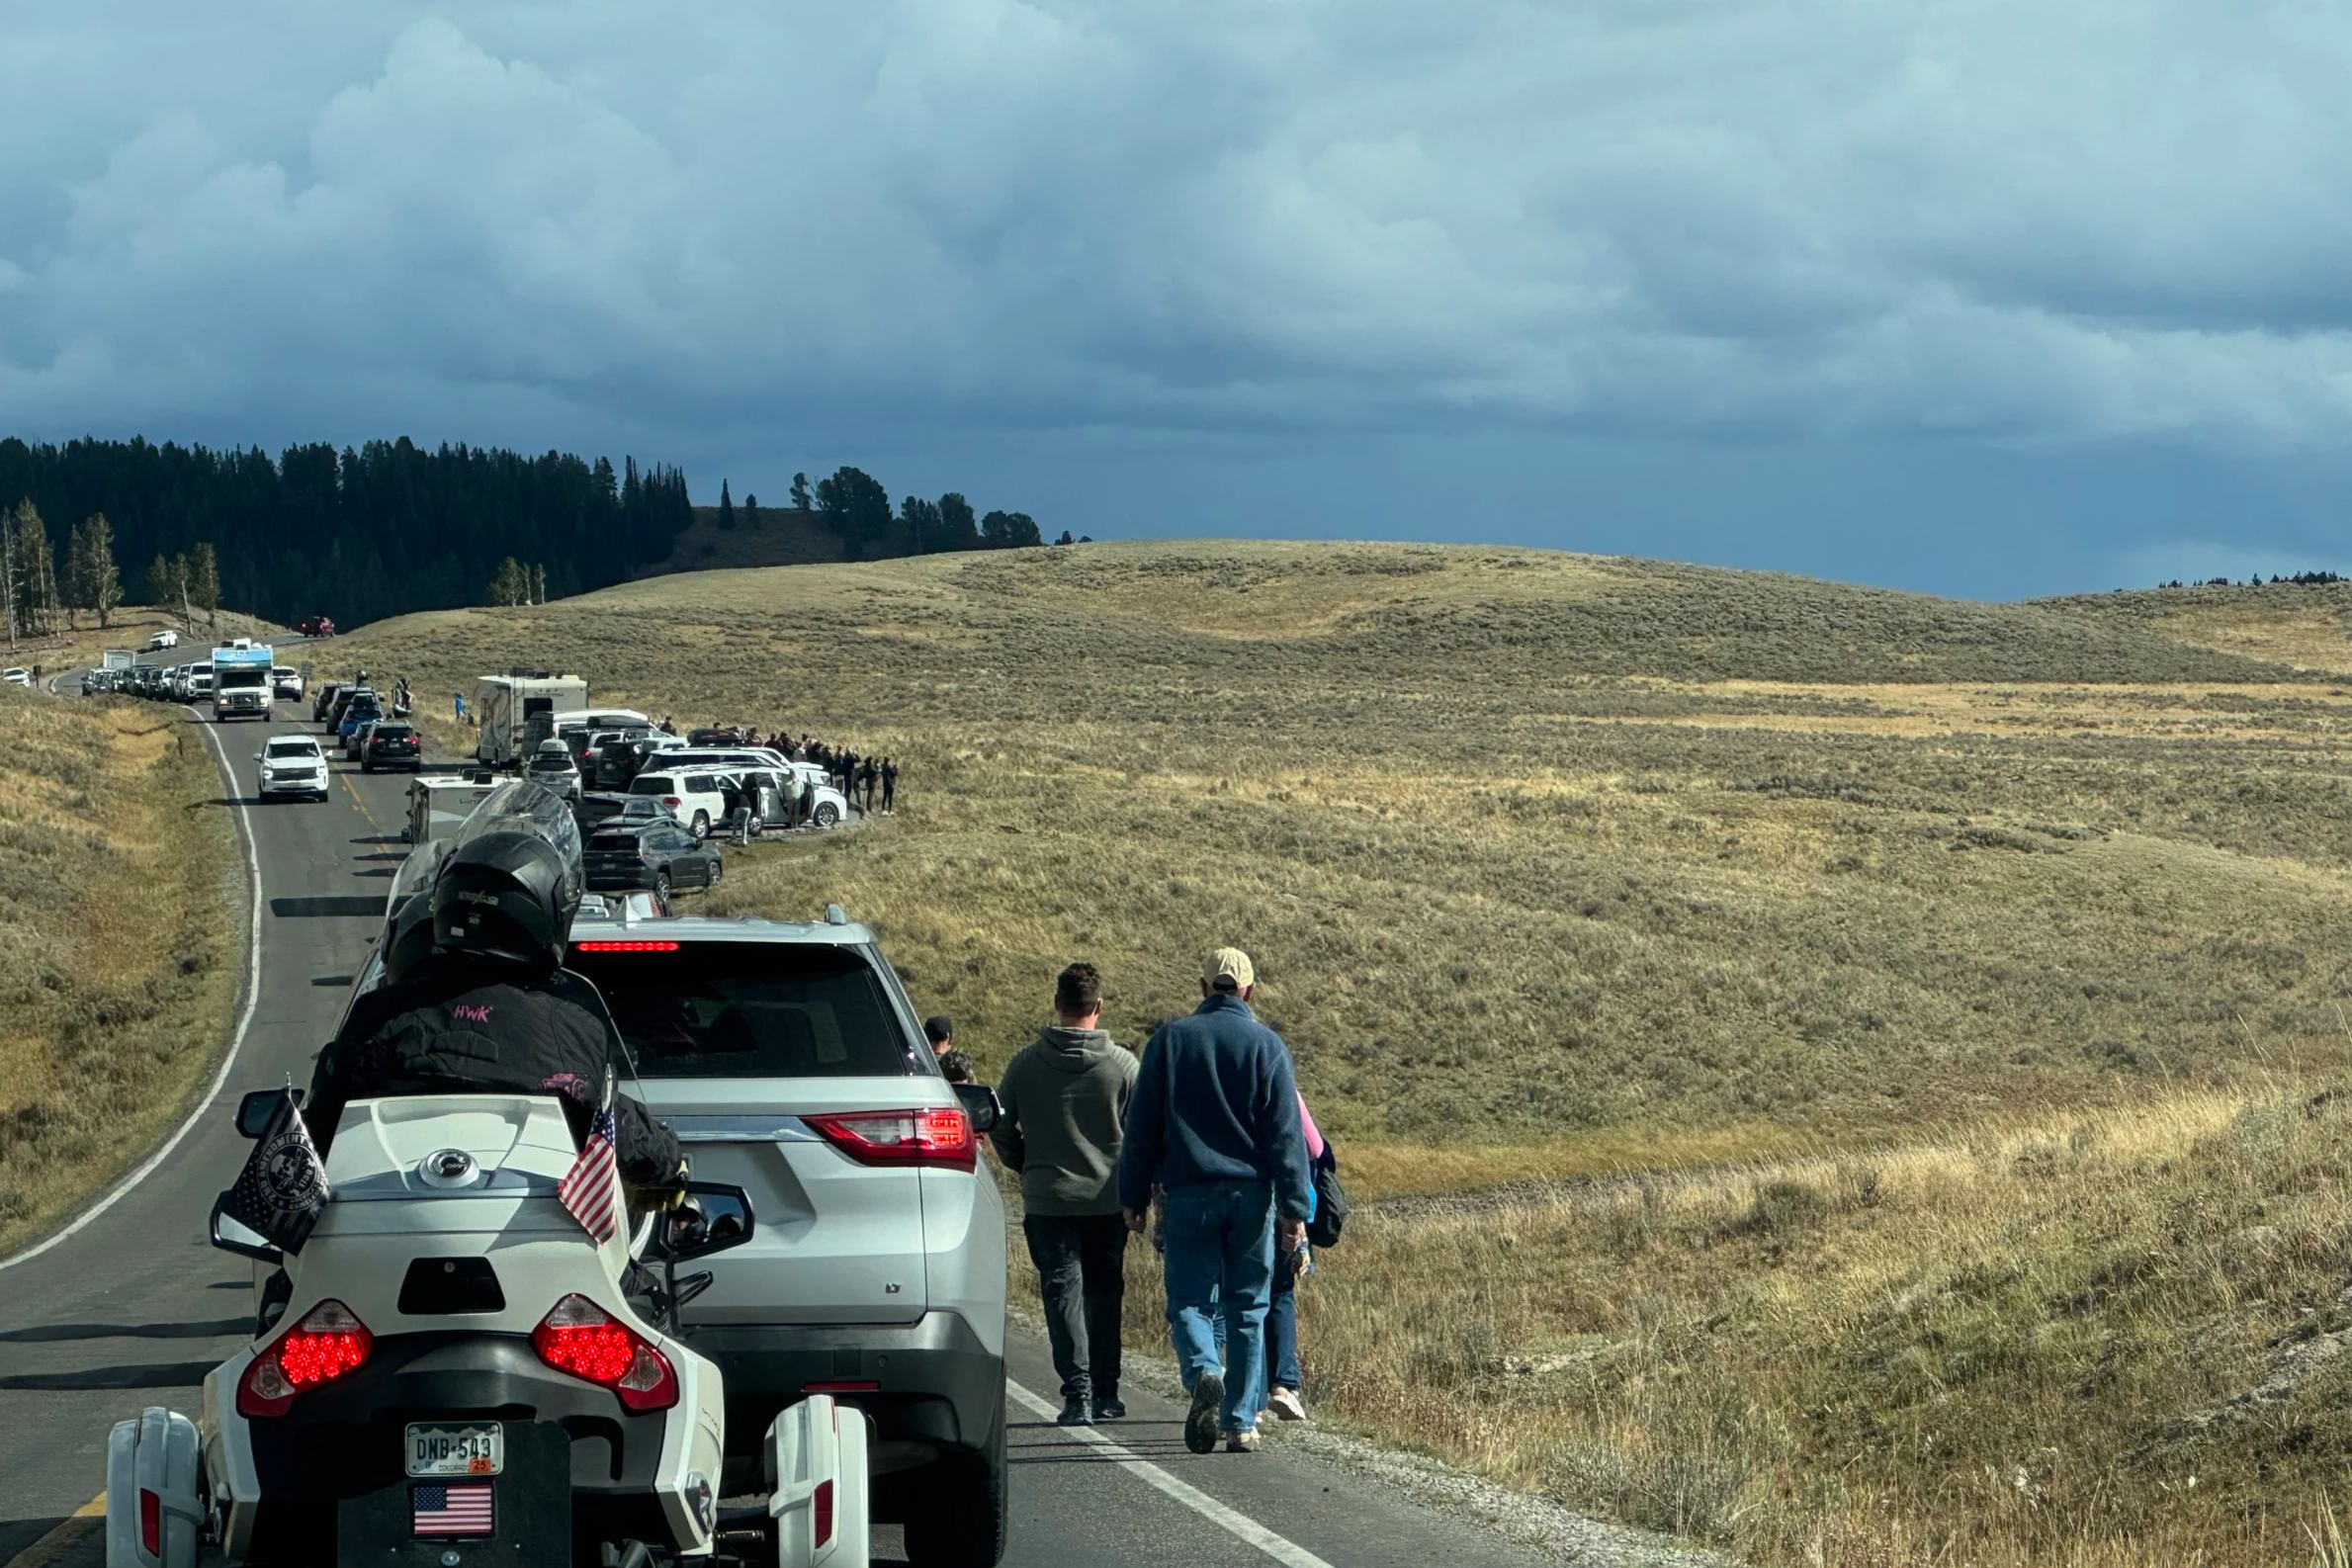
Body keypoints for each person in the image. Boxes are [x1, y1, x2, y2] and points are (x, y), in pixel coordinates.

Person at [304, 831, 682, 1198]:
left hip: (379, 1221)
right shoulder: (572, 1027)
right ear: (547, 913)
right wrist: (668, 1163)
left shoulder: (375, 1013)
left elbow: (315, 1132)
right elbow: (617, 1127)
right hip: (531, 1227)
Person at [1118, 947, 1310, 1454]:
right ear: (1249, 991)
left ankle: (1205, 1369)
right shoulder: (1267, 1045)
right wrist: (1295, 1210)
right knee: (1248, 1307)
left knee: (1189, 1302)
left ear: (1202, 988)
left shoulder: (1170, 1041)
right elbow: (1286, 1135)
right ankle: (1241, 1422)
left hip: (1187, 1192)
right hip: (1252, 1195)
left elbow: (1142, 1127)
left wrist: (1132, 1195)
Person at [993, 964, 1139, 1427]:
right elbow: (1143, 1134)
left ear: (1057, 1004)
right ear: (1099, 1007)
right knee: (1103, 1293)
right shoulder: (1122, 1066)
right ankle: (1106, 1391)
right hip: (1106, 1199)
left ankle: (1077, 1393)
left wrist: (1025, 1162)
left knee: (1062, 1295)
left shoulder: (1026, 1063)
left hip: (1048, 1198)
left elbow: (998, 1123)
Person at [1263, 1090, 1327, 1423]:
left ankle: (1248, 1393)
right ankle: (1283, 1385)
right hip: (1284, 1205)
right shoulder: (1284, 1090)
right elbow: (1315, 1148)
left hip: (1237, 1201)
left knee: (1241, 1298)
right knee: (1280, 1293)